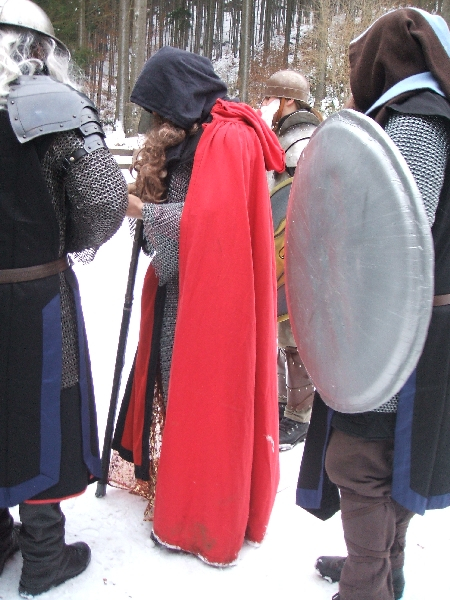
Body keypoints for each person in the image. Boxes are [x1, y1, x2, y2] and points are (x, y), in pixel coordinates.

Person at [296, 8, 450, 600]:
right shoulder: (430, 112)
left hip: (397, 320)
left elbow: (395, 235)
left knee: (362, 459)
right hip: (417, 318)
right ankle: (385, 567)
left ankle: (367, 585)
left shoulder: (418, 119)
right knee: (393, 455)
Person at [109, 46, 284, 566]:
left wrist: (143, 211)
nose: (154, 119)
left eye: (158, 107)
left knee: (207, 403)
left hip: (212, 305)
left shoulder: (227, 137)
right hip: (184, 294)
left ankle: (201, 518)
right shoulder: (199, 133)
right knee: (179, 393)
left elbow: (210, 226)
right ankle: (181, 492)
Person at [0, 1, 128, 596]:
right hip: (38, 297)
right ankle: (44, 557)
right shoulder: (58, 108)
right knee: (42, 409)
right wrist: (61, 243)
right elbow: (104, 203)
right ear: (39, 48)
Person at [260, 70, 322, 450]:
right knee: (282, 332)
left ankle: (299, 416)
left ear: (288, 100)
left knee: (294, 336)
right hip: (285, 250)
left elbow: (301, 201)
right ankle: (283, 406)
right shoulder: (284, 136)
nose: (267, 104)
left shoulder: (302, 139)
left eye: (273, 98)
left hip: (300, 251)